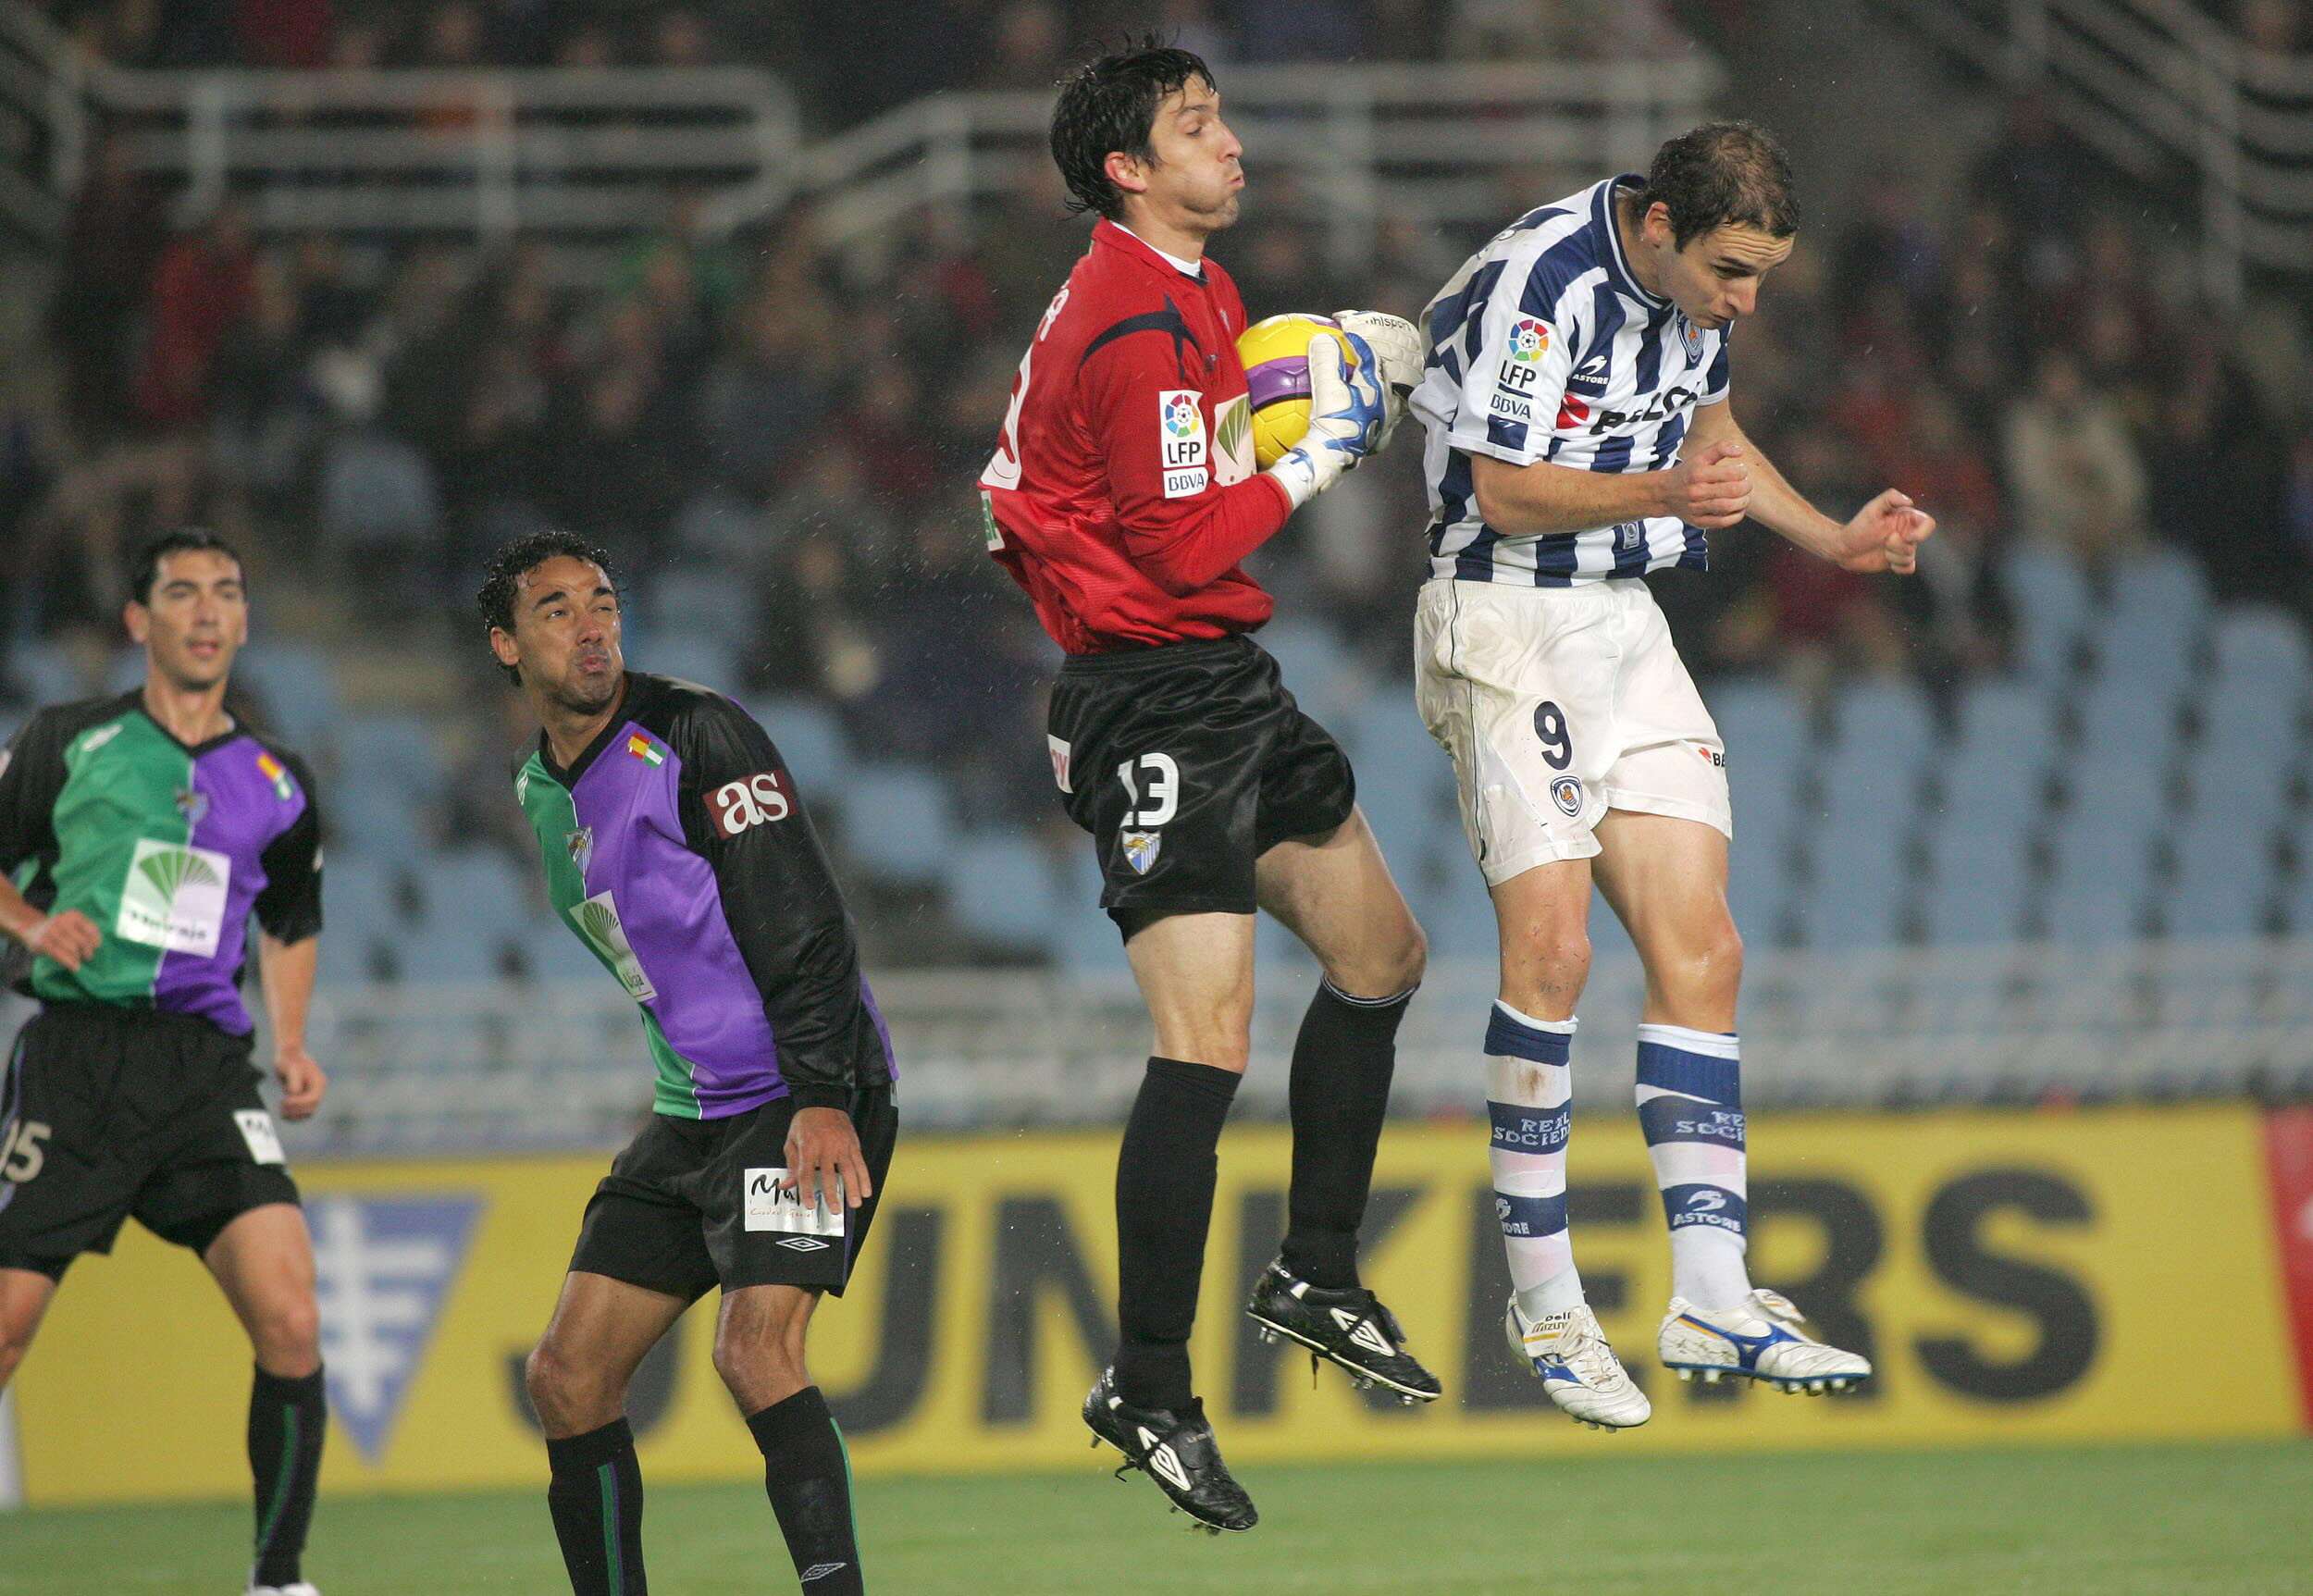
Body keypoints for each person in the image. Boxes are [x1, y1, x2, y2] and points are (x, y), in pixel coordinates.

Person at [1408, 122, 1932, 1429]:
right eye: (1731, 274)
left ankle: (1714, 1291)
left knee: (1707, 951)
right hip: (1502, 615)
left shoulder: (1697, 294)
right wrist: (1659, 489)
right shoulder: (1551, 277)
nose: (1745, 302)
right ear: (1657, 227)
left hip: (1624, 622)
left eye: (1760, 277)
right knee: (1556, 957)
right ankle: (1545, 1301)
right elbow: (1500, 488)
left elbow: (1718, 443)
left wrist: (1833, 540)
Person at [977, 41, 1433, 1533]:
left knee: (1381, 957)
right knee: (1207, 1041)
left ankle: (1311, 1268)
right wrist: (1330, 445)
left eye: (1221, 114)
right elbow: (1181, 545)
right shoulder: (1124, 321)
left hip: (1227, 681)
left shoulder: (1200, 296)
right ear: (1128, 168)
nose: (1229, 142)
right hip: (1149, 696)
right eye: (1197, 124)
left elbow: (1190, 469)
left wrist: (1320, 364)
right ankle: (1151, 1382)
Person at [481, 532, 896, 1596]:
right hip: (694, 1113)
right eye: (558, 609)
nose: (592, 626)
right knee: (567, 1378)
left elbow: (802, 916)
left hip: (804, 1093)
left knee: (754, 1353)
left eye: (604, 601)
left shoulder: (696, 733)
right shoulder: (539, 788)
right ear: (506, 646)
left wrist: (820, 1097)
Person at [0, 529, 329, 1596]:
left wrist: (288, 1042)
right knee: (6, 1328)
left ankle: (277, 1580)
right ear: (138, 620)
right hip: (78, 1063)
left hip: (204, 1073)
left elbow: (289, 919)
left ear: (241, 619)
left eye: (225, 592)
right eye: (180, 592)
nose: (206, 609)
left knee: (289, 1312)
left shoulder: (276, 780)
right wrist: (31, 924)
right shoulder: (64, 741)